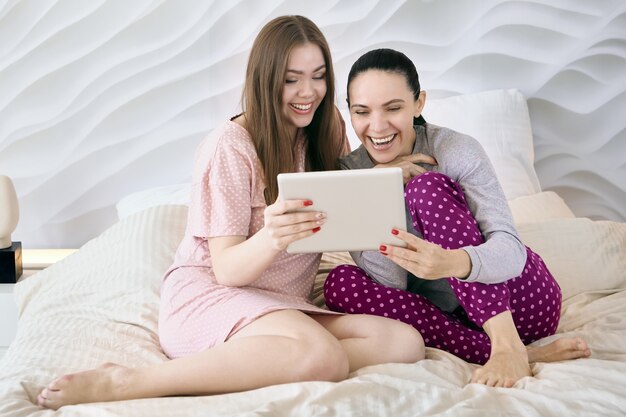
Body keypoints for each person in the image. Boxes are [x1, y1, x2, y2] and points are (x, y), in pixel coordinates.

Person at [36, 18, 424, 410]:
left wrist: (381, 179)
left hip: (281, 305)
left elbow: (341, 202)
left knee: (404, 342)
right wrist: (272, 235)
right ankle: (127, 381)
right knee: (322, 355)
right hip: (215, 296)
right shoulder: (231, 147)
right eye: (292, 79)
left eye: (318, 76)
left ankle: (279, 357)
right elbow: (227, 270)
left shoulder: (327, 129)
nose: (308, 92)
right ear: (266, 79)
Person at [323, 48, 591, 388]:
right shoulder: (351, 173)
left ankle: (508, 346)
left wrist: (453, 262)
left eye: (393, 108)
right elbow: (389, 287)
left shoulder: (455, 149)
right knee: (339, 284)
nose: (377, 126)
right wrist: (379, 185)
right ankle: (520, 354)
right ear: (350, 112)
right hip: (448, 319)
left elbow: (510, 250)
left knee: (427, 187)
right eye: (362, 111)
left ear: (418, 103)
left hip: (521, 305)